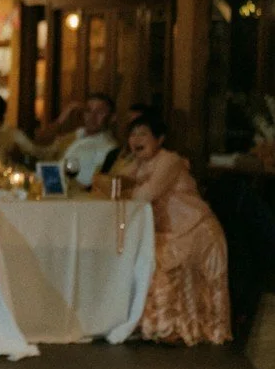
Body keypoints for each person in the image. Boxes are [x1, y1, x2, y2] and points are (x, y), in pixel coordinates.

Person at [94, 116, 231, 346]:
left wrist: (118, 189)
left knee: (153, 258)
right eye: (132, 134)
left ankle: (166, 326)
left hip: (194, 230)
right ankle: (143, 323)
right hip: (167, 231)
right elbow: (106, 182)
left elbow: (144, 195)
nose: (135, 139)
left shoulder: (170, 160)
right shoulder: (139, 163)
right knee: (131, 252)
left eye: (143, 134)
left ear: (160, 139)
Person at [37, 93, 118, 188]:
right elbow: (39, 144)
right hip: (49, 187)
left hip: (75, 197)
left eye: (100, 112)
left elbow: (93, 185)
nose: (92, 117)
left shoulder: (109, 147)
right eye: (88, 111)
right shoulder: (75, 135)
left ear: (112, 117)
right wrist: (62, 117)